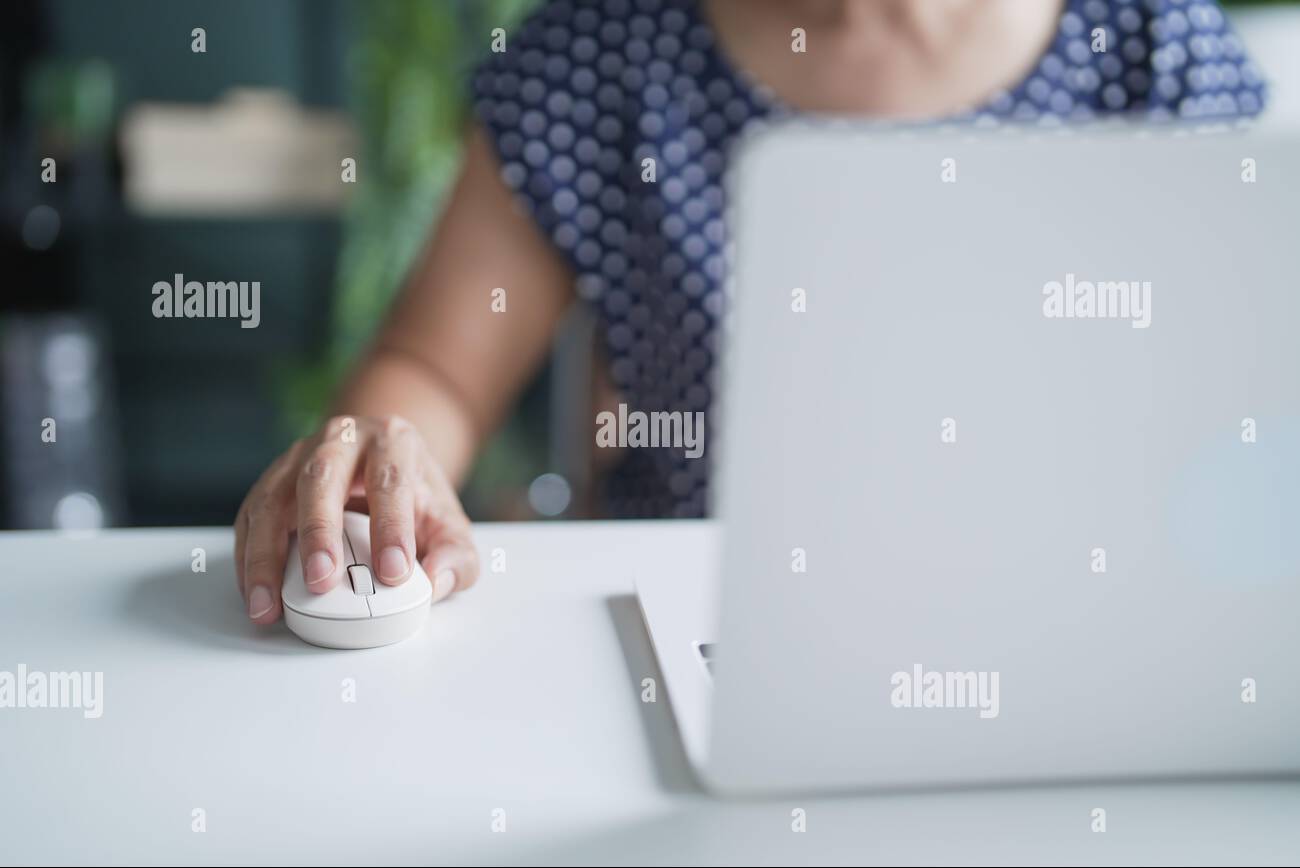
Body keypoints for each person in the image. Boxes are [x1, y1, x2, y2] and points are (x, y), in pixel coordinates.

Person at [235, 0, 1266, 625]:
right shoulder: (598, 58)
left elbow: (1246, 403)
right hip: (695, 638)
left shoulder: (1155, 52)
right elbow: (439, 370)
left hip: (1090, 630)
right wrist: (382, 449)